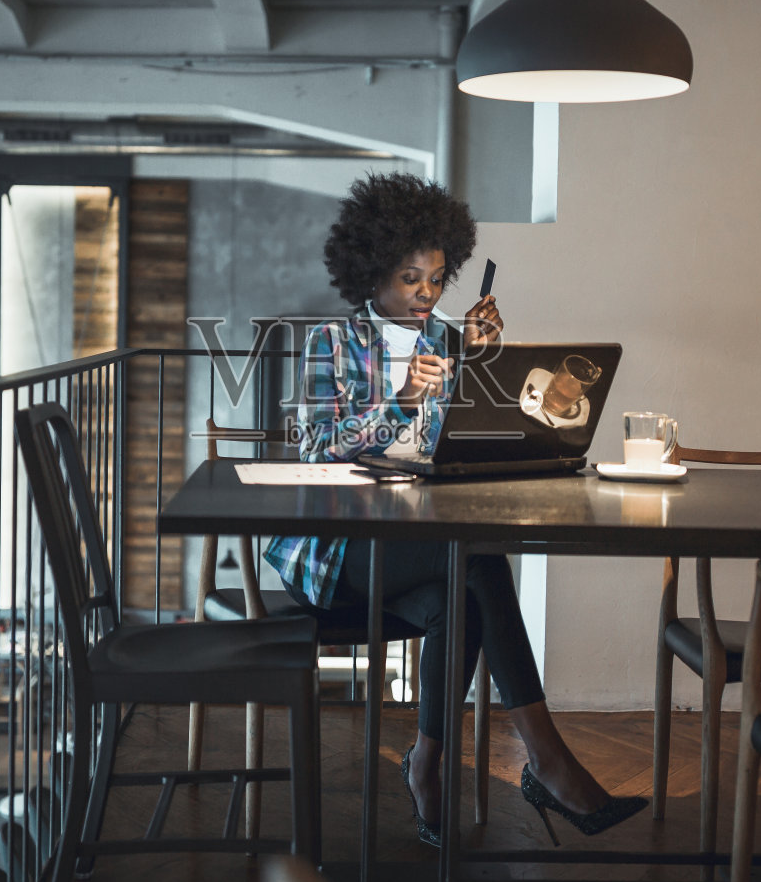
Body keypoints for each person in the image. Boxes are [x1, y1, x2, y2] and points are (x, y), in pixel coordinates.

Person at [262, 172, 643, 847]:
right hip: (337, 551)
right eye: (411, 278)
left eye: (437, 279)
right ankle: (543, 762)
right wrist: (401, 401)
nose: (427, 294)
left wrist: (480, 359)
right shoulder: (333, 342)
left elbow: (460, 441)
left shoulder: (444, 338)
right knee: (476, 562)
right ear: (371, 273)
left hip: (419, 542)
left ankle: (429, 764)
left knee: (463, 586)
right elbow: (320, 447)